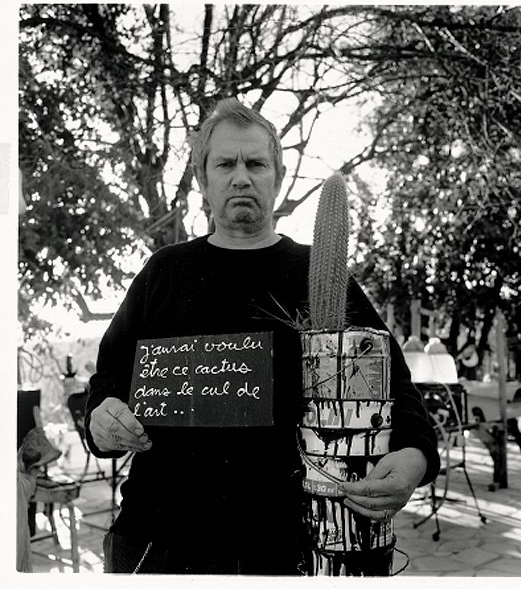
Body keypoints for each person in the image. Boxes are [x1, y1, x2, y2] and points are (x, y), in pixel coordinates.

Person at [85, 98, 440, 575]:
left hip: (293, 540)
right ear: (203, 179)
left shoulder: (323, 271)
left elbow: (393, 382)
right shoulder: (163, 273)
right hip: (163, 537)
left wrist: (416, 457)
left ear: (278, 174)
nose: (241, 177)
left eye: (255, 163)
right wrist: (102, 420)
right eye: (225, 164)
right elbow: (108, 380)